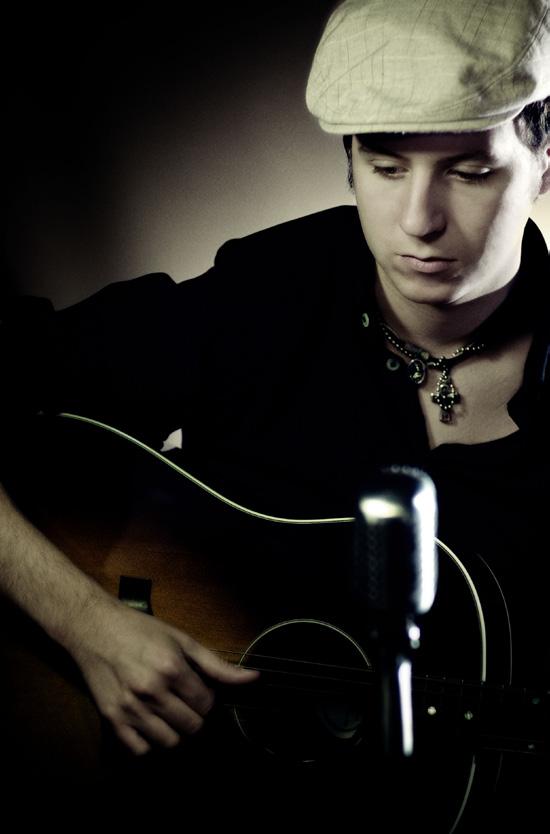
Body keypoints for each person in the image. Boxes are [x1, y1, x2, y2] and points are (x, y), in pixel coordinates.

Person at [1, 0, 549, 828]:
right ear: (349, 164)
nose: (419, 221)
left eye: (469, 171)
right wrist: (87, 626)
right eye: (385, 166)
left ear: (544, 161)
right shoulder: (268, 292)